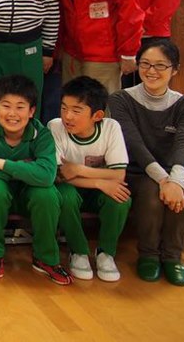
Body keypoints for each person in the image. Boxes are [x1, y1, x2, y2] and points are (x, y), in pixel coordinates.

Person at [109, 39, 184, 286]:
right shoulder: (121, 99)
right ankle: (148, 255)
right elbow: (135, 146)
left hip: (170, 171)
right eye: (145, 64)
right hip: (135, 170)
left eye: (160, 65)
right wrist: (163, 180)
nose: (151, 71)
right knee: (151, 192)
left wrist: (175, 181)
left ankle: (172, 257)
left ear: (175, 69)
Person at [0, 74, 69, 284]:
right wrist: (26, 170)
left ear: (31, 111)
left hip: (28, 195)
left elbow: (47, 176)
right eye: (6, 106)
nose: (12, 113)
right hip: (0, 195)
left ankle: (46, 257)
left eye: (20, 107)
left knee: (47, 193)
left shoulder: (41, 134)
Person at [50, 76, 130, 283]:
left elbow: (118, 175)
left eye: (77, 111)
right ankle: (78, 251)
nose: (68, 116)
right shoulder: (55, 127)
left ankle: (106, 253)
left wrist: (78, 169)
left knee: (121, 196)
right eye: (64, 108)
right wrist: (99, 181)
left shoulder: (111, 128)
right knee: (65, 196)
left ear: (97, 115)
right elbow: (59, 175)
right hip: (70, 187)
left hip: (94, 191)